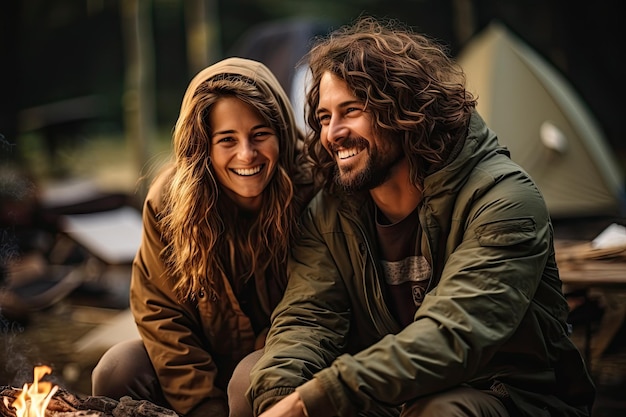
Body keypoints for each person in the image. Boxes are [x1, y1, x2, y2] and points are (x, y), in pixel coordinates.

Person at [245, 17, 596, 417]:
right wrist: (280, 396)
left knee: (440, 411)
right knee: (252, 380)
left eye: (351, 111)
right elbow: (309, 319)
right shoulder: (330, 211)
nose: (332, 133)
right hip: (391, 395)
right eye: (325, 117)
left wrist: (316, 398)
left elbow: (454, 335)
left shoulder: (503, 200)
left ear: (404, 110)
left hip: (506, 394)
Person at [91, 57, 315, 417]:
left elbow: (318, 303)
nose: (247, 154)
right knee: (118, 368)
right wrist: (202, 407)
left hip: (286, 361)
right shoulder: (169, 202)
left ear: (282, 134)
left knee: (249, 379)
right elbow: (161, 314)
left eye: (260, 135)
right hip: (204, 361)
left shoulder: (311, 190)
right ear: (203, 146)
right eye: (227, 139)